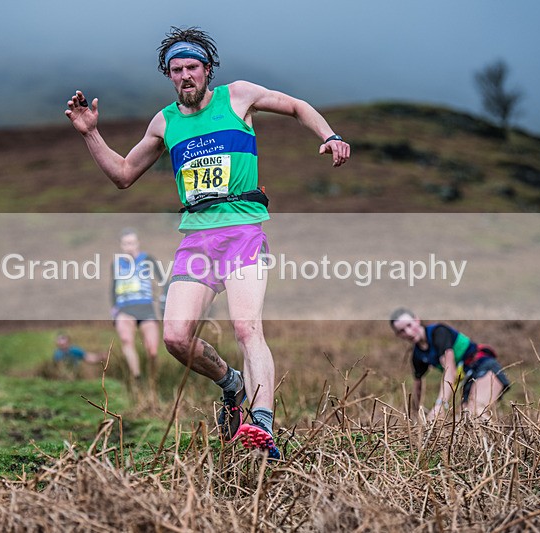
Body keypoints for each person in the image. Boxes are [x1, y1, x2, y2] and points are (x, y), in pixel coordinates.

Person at [66, 26, 351, 460]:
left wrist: (328, 135)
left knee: (246, 327)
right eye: (176, 70)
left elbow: (294, 106)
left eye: (192, 68)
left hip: (242, 233)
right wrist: (90, 133)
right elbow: (124, 175)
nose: (185, 76)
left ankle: (262, 425)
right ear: (169, 75)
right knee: (176, 338)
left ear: (207, 70)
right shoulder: (164, 121)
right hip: (196, 240)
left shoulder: (238, 96)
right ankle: (231, 383)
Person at [389, 308, 511, 421]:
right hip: (468, 379)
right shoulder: (418, 355)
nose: (408, 332)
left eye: (409, 325)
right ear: (398, 335)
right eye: (402, 331)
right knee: (465, 420)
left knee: (476, 413)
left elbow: (450, 370)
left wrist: (441, 405)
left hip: (485, 367)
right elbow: (417, 385)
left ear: (417, 320)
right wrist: (413, 416)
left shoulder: (439, 332)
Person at [111, 228, 161, 386]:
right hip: (125, 309)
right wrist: (114, 309)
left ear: (137, 243)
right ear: (121, 245)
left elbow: (162, 281)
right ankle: (137, 378)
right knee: (126, 340)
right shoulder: (116, 264)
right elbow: (113, 287)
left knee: (152, 350)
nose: (129, 246)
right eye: (126, 243)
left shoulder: (148, 259)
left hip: (146, 308)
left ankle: (153, 380)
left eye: (132, 243)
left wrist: (164, 299)